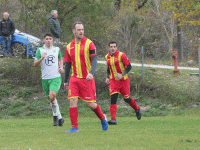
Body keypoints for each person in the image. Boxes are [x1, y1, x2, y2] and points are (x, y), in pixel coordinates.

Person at [64, 22, 108, 133]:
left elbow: (94, 60)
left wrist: (91, 73)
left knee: (90, 104)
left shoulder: (89, 44)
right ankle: (75, 127)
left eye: (82, 29)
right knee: (72, 101)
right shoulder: (69, 46)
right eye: (78, 30)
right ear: (74, 31)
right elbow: (68, 65)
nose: (81, 32)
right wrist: (65, 80)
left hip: (87, 79)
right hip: (74, 79)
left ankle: (103, 118)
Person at [105, 41, 142, 125]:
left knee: (126, 99)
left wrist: (122, 75)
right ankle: (113, 119)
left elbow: (129, 66)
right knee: (113, 97)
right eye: (111, 47)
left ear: (117, 47)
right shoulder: (107, 57)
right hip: (114, 81)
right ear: (109, 48)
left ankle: (137, 109)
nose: (112, 48)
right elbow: (108, 68)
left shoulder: (122, 55)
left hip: (124, 81)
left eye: (114, 46)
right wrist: (107, 77)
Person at [34, 33, 64, 126]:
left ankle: (58, 117)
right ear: (44, 40)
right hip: (45, 78)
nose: (48, 40)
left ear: (52, 40)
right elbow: (35, 64)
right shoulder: (40, 50)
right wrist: (42, 58)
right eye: (47, 39)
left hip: (55, 77)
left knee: (52, 96)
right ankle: (57, 116)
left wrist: (61, 67)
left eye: (50, 39)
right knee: (51, 99)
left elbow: (60, 59)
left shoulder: (56, 49)